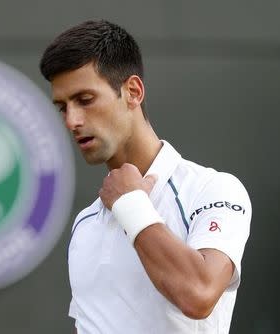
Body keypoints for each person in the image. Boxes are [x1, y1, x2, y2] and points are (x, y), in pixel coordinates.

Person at [39, 20, 251, 334]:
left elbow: (199, 295)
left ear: (133, 92)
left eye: (84, 100)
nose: (72, 120)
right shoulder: (85, 223)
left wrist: (130, 204)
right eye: (62, 107)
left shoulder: (213, 189)